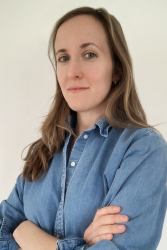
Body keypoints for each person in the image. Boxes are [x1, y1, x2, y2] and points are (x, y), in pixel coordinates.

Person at [0, 6, 167, 250]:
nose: (73, 72)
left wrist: (27, 233)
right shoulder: (43, 150)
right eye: (63, 58)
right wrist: (83, 245)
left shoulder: (144, 150)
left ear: (117, 69)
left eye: (89, 54)